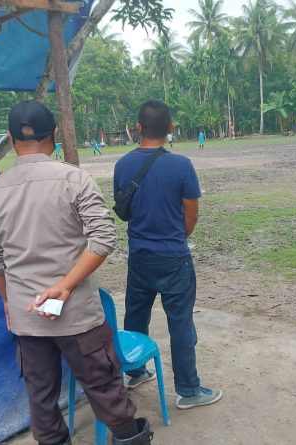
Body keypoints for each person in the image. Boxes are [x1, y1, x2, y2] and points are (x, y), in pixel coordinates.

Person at [0, 100, 151, 445]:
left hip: (28, 316)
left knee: (41, 400)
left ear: (10, 138)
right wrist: (66, 286)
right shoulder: (74, 179)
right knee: (105, 390)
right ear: (54, 134)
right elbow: (103, 237)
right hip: (78, 315)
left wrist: (10, 303)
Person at [113, 99, 222, 410]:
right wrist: (174, 239)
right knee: (181, 323)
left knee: (135, 314)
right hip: (174, 258)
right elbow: (192, 216)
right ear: (171, 128)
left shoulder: (123, 165)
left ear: (138, 128)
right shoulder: (182, 166)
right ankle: (188, 390)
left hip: (139, 256)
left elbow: (125, 209)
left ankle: (135, 370)